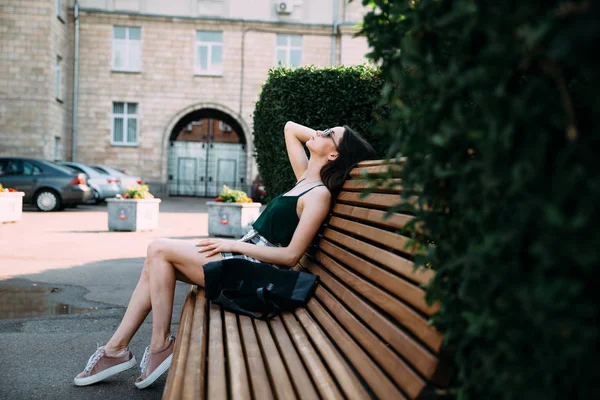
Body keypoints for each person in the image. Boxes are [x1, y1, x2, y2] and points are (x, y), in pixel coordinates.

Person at [73, 121, 377, 389]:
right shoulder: (304, 180)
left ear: (334, 154)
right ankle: (120, 349)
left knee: (158, 249)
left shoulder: (319, 194)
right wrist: (326, 140)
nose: (319, 131)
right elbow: (290, 128)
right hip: (242, 263)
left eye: (328, 134)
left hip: (254, 272)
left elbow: (290, 256)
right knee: (156, 262)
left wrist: (231, 245)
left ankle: (150, 346)